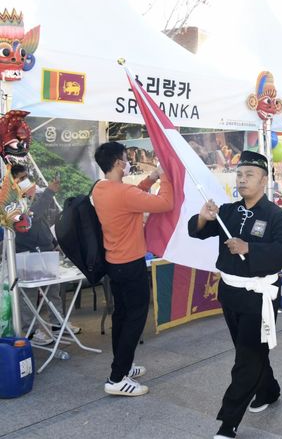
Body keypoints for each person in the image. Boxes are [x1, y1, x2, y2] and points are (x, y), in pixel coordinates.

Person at [188, 151, 282, 439]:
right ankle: (269, 390)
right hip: (230, 293)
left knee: (246, 359)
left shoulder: (276, 216)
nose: (242, 179)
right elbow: (198, 232)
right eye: (239, 174)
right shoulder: (228, 211)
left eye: (249, 175)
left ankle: (228, 423)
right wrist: (203, 217)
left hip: (259, 296)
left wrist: (250, 248)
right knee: (249, 350)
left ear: (264, 180)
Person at [92, 141, 173, 397]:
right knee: (135, 319)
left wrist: (151, 178)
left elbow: (132, 196)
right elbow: (166, 203)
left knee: (122, 317)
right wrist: (167, 177)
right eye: (126, 158)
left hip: (115, 264)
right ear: (118, 163)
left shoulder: (101, 188)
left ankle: (123, 366)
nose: (128, 162)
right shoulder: (122, 193)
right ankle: (117, 377)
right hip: (131, 264)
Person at [11, 165, 80, 345]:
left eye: (27, 177)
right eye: (21, 178)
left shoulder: (31, 196)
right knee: (29, 294)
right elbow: (30, 219)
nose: (26, 181)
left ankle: (58, 324)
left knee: (53, 290)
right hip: (26, 253)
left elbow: (41, 222)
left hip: (45, 250)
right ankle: (31, 332)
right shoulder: (10, 203)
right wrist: (49, 192)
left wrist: (53, 243)